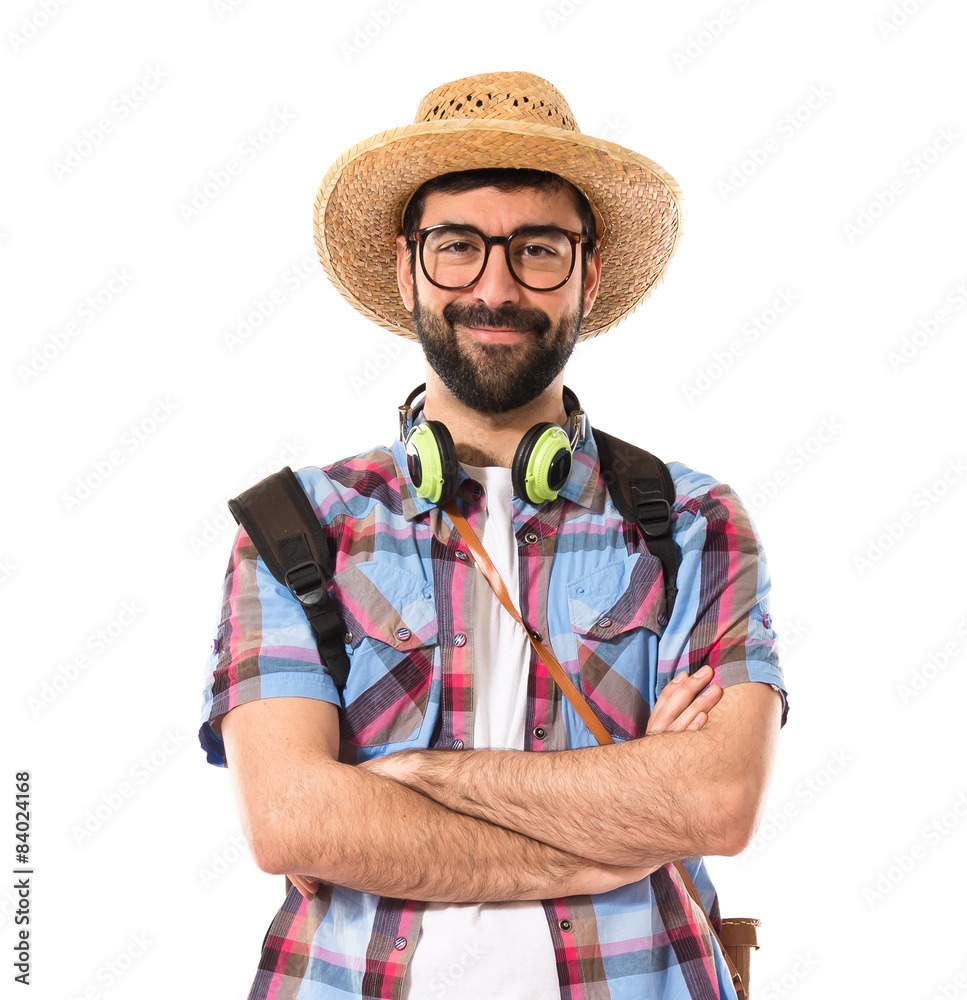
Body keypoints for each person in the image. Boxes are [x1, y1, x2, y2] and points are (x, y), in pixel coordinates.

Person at [199, 70, 789, 1000]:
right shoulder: (294, 527)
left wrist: (403, 779)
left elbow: (714, 800)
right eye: (458, 247)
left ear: (588, 272)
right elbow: (289, 820)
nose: (497, 286)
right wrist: (619, 828)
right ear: (408, 268)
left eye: (539, 250)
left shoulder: (691, 519)